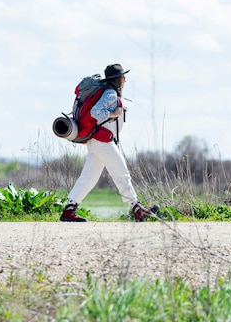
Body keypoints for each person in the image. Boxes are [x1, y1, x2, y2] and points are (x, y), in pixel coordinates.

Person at [60, 63, 158, 222]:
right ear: (117, 79)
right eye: (123, 77)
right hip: (102, 141)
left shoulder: (107, 91)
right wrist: (114, 113)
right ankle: (136, 208)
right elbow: (96, 112)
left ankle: (69, 209)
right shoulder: (110, 93)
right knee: (122, 172)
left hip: (95, 141)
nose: (125, 81)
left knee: (89, 177)